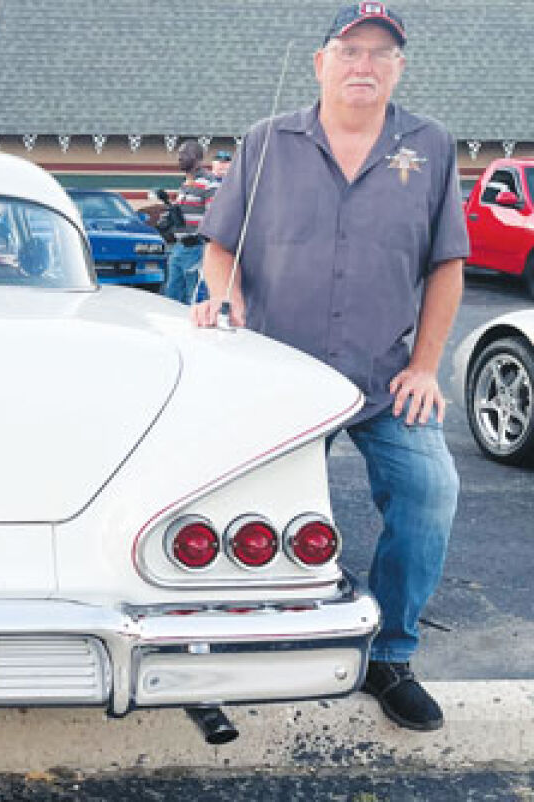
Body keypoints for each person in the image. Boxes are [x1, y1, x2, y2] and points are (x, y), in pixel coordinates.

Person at [193, 4, 467, 732]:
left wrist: (426, 366)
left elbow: (447, 266)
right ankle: (215, 654)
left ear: (399, 68)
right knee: (224, 505)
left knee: (431, 490)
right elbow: (220, 249)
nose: (364, 65)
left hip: (382, 382)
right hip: (279, 381)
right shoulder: (266, 143)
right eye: (350, 50)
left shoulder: (429, 145)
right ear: (322, 61)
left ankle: (390, 656)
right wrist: (224, 299)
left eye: (381, 53)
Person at [160, 139, 218, 304]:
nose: (179, 157)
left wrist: (202, 241)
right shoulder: (185, 183)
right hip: (179, 248)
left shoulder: (208, 183)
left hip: (196, 249)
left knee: (192, 299)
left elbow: (213, 218)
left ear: (198, 158)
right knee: (171, 298)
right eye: (179, 154)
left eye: (184, 154)